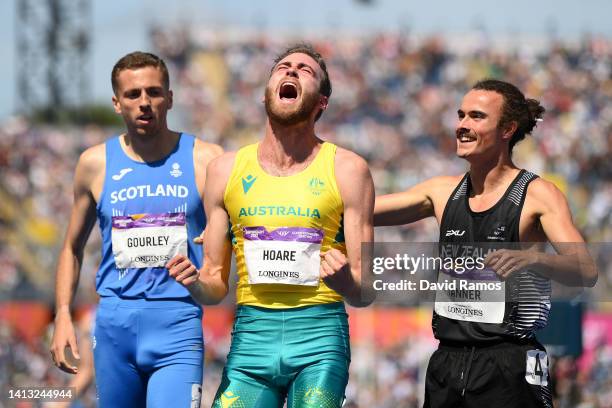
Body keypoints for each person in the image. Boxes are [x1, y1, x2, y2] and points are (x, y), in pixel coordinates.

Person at [167, 43, 375, 408]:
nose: (292, 71)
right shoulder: (225, 170)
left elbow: (365, 290)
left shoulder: (348, 169)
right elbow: (215, 283)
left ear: (321, 102)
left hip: (319, 338)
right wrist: (196, 282)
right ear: (266, 93)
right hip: (251, 339)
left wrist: (346, 282)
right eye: (283, 67)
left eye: (305, 70)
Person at [374, 79, 597, 408]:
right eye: (460, 115)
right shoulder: (440, 192)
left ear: (507, 129)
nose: (462, 125)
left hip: (510, 365)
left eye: (476, 117)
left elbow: (586, 270)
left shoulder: (537, 195)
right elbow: (360, 210)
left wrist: (534, 260)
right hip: (446, 364)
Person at [50, 51, 223, 408]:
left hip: (177, 322)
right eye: (133, 95)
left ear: (170, 98)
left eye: (154, 92)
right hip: (115, 326)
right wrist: (63, 314)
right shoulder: (94, 164)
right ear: (117, 103)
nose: (144, 103)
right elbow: (71, 248)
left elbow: (227, 249)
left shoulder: (206, 160)